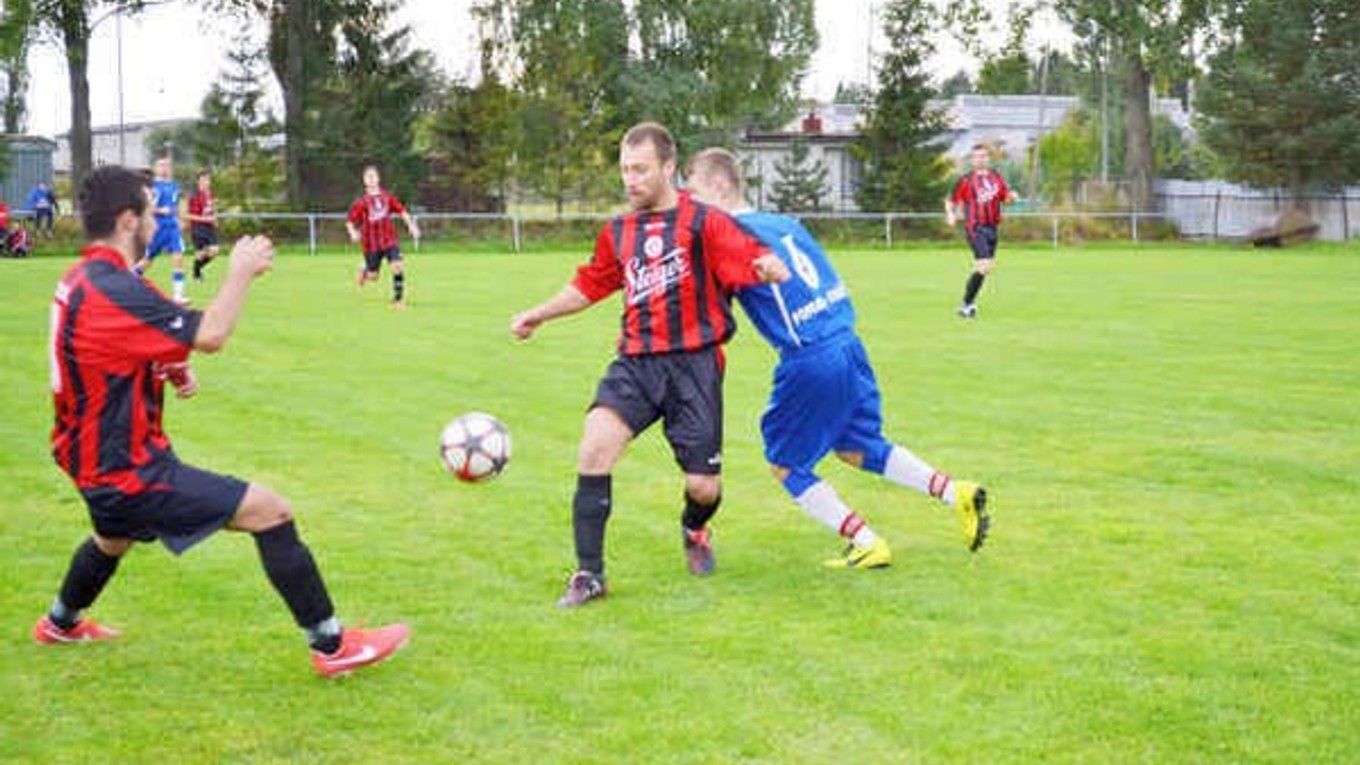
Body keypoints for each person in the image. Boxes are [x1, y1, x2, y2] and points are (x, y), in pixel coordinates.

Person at [34, 165, 409, 678]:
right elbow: (210, 333)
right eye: (151, 209)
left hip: (89, 457)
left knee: (112, 539)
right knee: (270, 511)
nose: (159, 219)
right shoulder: (114, 287)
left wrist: (167, 366)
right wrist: (240, 272)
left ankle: (60, 623)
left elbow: (104, 347)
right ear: (127, 220)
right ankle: (333, 645)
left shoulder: (83, 278)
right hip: (126, 467)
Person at [510, 122, 789, 608]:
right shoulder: (618, 231)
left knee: (703, 488)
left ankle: (694, 528)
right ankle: (590, 575)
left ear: (668, 167)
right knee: (594, 447)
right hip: (636, 364)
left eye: (640, 169)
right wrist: (539, 314)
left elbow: (751, 256)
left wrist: (767, 267)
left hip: (695, 367)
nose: (630, 180)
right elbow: (590, 284)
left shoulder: (704, 222)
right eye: (625, 170)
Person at [686, 148, 990, 568]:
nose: (693, 207)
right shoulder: (785, 224)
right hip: (847, 342)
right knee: (856, 447)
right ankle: (956, 493)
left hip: (811, 358)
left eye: (695, 194)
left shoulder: (734, 237)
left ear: (720, 186)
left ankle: (865, 540)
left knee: (785, 463)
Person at [945, 143, 1019, 319]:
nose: (980, 159)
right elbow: (950, 200)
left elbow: (1005, 198)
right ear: (972, 160)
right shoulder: (966, 180)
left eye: (983, 156)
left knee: (985, 268)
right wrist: (951, 214)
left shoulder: (996, 178)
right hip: (975, 227)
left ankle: (968, 304)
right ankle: (966, 305)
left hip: (992, 228)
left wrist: (1012, 197)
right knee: (984, 265)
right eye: (977, 156)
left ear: (988, 158)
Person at [346, 165, 419, 309]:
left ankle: (398, 300)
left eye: (373, 176)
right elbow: (349, 221)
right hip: (371, 244)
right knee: (373, 277)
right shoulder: (362, 202)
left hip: (389, 240)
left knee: (397, 266)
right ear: (364, 181)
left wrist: (412, 226)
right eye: (368, 177)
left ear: (378, 179)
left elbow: (402, 211)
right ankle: (365, 269)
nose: (371, 179)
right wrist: (353, 232)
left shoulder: (387, 197)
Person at [133, 157, 190, 304]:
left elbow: (176, 206)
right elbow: (147, 208)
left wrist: (181, 220)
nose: (165, 168)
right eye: (161, 165)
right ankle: (127, 278)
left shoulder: (174, 186)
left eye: (167, 166)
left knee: (178, 257)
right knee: (147, 260)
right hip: (157, 228)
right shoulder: (153, 187)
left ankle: (178, 296)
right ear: (156, 168)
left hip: (172, 227)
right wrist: (160, 210)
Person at [186, 169, 220, 281]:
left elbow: (213, 208)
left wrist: (215, 218)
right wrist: (205, 219)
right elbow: (188, 215)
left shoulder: (211, 194)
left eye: (208, 179)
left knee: (215, 250)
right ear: (198, 181)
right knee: (201, 253)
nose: (206, 182)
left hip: (210, 227)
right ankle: (196, 273)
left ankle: (196, 270)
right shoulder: (194, 196)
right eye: (204, 179)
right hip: (198, 227)